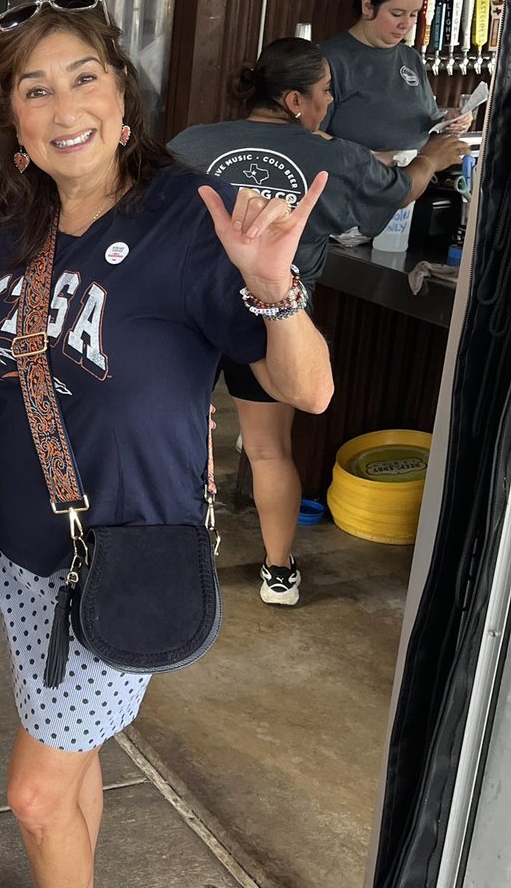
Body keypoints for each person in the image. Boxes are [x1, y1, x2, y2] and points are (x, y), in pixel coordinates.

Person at [0, 0, 333, 888]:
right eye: (35, 87)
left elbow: (306, 391)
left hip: (123, 565)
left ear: (124, 102)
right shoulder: (10, 234)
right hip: (26, 561)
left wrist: (274, 287)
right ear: (16, 125)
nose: (61, 103)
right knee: (65, 772)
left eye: (84, 77)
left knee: (35, 791)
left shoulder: (190, 219)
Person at [168, 37, 468, 605]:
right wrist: (434, 155)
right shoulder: (335, 155)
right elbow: (404, 190)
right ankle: (278, 573)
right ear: (294, 99)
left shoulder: (190, 142)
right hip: (273, 319)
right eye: (326, 91)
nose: (331, 102)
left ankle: (188, 554)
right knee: (267, 450)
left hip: (187, 315)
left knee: (184, 437)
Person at [320, 0, 473, 158]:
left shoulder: (410, 58)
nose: (406, 24)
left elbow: (429, 121)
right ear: (367, 7)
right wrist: (374, 159)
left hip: (416, 179)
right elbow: (309, 135)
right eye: (397, 13)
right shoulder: (329, 60)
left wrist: (450, 121)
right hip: (355, 181)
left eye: (413, 15)